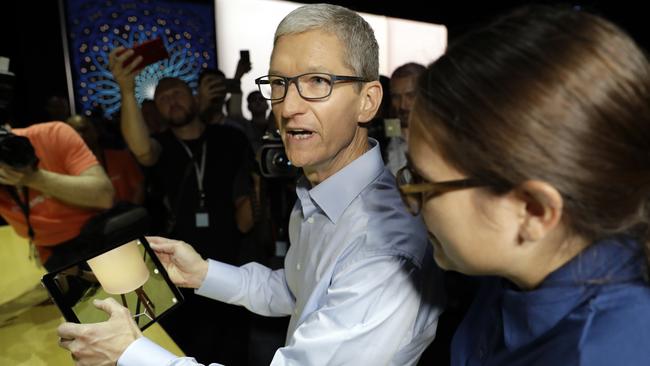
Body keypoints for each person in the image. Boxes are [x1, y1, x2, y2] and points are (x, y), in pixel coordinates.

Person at [57, 4, 443, 365]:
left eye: (317, 81)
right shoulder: (318, 193)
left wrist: (131, 354)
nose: (288, 107)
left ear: (368, 101)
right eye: (279, 83)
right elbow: (295, 291)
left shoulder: (385, 251)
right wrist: (203, 273)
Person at [397, 5, 650, 365]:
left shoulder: (596, 353)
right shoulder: (516, 271)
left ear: (533, 210)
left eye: (423, 182)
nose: (410, 198)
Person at [102, 50, 256, 364]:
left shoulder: (229, 138)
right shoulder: (161, 146)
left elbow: (250, 191)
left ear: (195, 98)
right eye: (163, 98)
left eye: (178, 93)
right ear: (157, 110)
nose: (171, 100)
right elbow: (141, 149)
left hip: (228, 258)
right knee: (186, 347)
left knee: (234, 347)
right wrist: (127, 91)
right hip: (174, 268)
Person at [0, 121, 114, 271]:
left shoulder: (52, 134)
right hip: (51, 254)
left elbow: (104, 196)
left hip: (100, 236)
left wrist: (34, 178)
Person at [66, 114, 144, 204]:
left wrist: (131, 215)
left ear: (96, 131)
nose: (80, 136)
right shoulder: (68, 172)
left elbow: (139, 188)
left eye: (84, 129)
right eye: (73, 133)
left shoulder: (121, 157)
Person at [385, 62, 425, 176]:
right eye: (396, 97)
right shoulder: (389, 135)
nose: (402, 105)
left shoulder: (442, 138)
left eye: (410, 96)